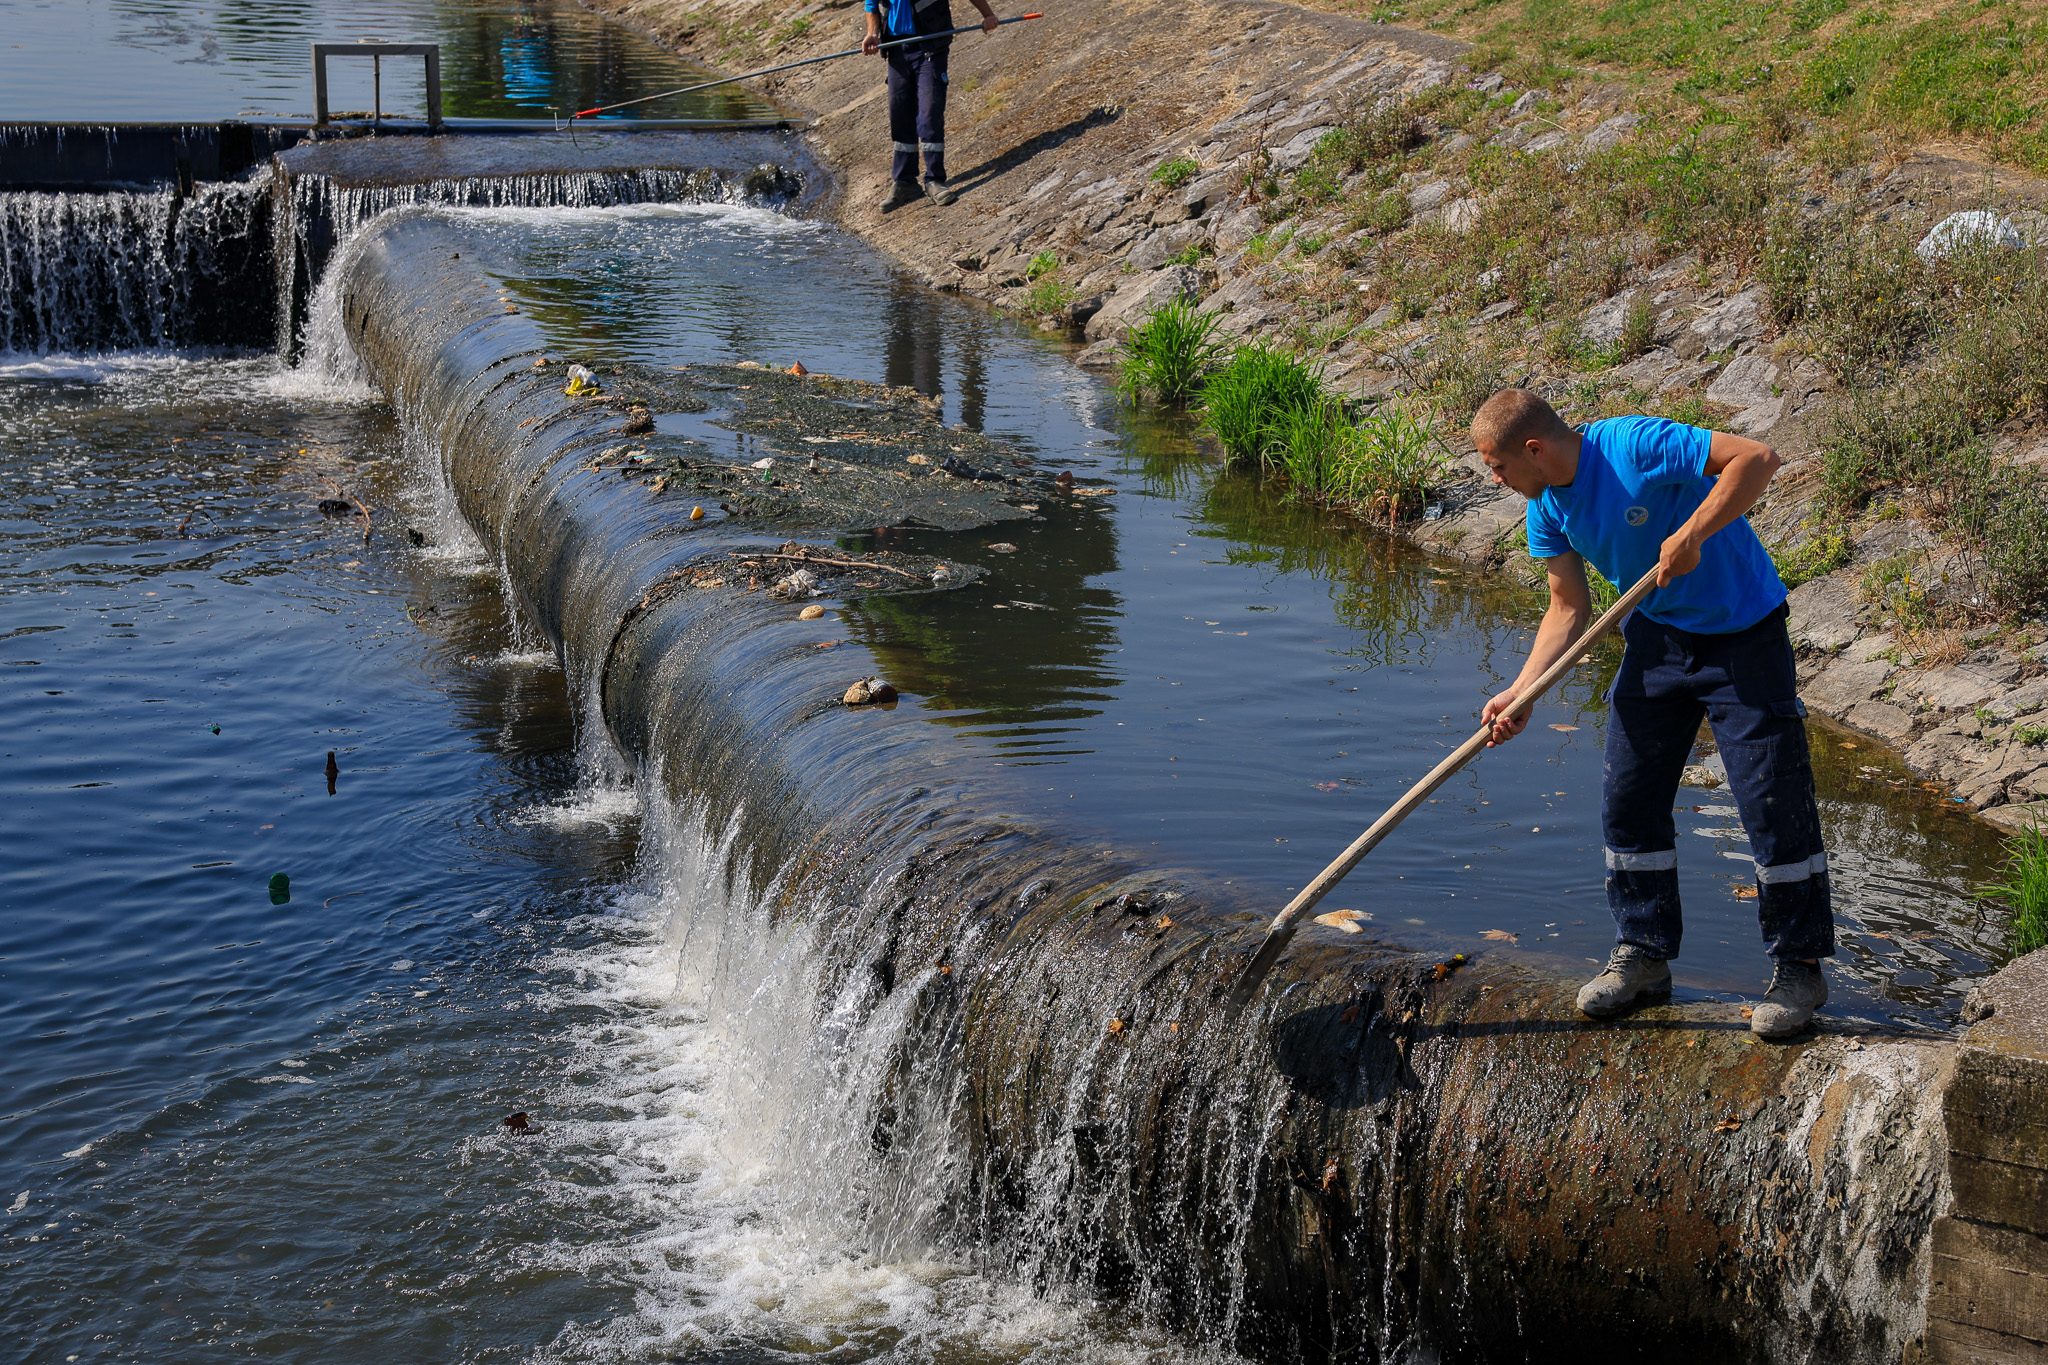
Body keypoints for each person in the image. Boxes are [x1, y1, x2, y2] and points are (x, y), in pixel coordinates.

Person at [1469, 389, 1831, 1039]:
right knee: (1629, 798)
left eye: (1497, 466)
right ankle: (1643, 952)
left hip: (1744, 634)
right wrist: (1523, 690)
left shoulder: (1633, 445)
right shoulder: (1545, 508)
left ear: (1534, 449)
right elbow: (1567, 608)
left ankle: (1798, 967)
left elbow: (1757, 458)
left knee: (1770, 801)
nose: (1496, 480)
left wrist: (1691, 533)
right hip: (1658, 641)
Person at [863, 0, 998, 209]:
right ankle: (905, 182)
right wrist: (873, 33)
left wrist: (987, 15)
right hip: (896, 50)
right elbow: (871, 5)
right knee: (900, 116)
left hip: (929, 45)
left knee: (929, 114)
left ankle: (934, 179)